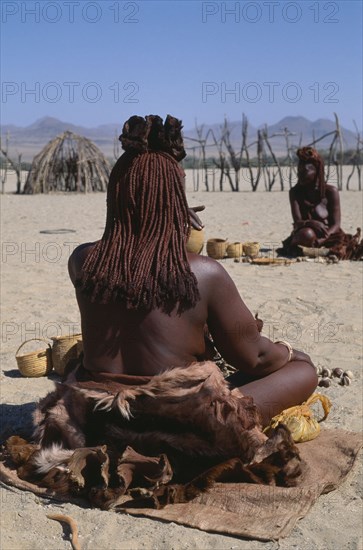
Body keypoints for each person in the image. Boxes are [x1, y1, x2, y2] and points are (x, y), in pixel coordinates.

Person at [68, 115, 318, 427]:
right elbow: (254, 358)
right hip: (176, 424)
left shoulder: (83, 261)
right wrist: (291, 353)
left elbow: (133, 277)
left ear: (115, 196)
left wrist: (159, 215)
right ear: (176, 200)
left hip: (99, 416)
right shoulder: (204, 273)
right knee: (303, 370)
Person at [279, 146, 362, 259]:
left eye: (305, 171)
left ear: (317, 171)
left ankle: (318, 251)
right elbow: (297, 222)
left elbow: (336, 224)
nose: (300, 175)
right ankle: (318, 251)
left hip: (331, 235)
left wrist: (323, 239)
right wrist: (311, 223)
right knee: (307, 234)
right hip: (306, 235)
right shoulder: (295, 192)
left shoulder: (331, 192)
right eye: (299, 171)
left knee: (348, 248)